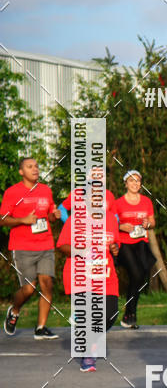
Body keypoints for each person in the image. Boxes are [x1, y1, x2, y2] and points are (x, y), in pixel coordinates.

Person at [1, 157, 59, 339]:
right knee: (29, 289)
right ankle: (15, 310)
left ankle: (40, 328)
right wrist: (22, 220)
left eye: (36, 166)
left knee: (47, 284)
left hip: (45, 244)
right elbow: (3, 219)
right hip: (22, 246)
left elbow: (49, 215)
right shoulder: (13, 192)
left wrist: (54, 216)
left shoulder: (46, 190)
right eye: (29, 166)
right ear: (21, 172)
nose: (35, 169)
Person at [57, 210, 120, 372]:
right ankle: (88, 351)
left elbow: (115, 243)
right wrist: (81, 252)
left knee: (110, 314)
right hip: (79, 276)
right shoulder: (75, 219)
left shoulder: (111, 219)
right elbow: (62, 246)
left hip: (106, 276)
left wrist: (114, 248)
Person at [113, 170, 156, 328]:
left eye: (137, 181)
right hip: (124, 244)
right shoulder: (118, 203)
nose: (135, 183)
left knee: (139, 277)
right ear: (125, 183)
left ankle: (129, 315)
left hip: (141, 243)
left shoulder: (146, 201)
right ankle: (130, 313)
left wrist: (148, 224)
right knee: (136, 274)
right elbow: (111, 223)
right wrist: (121, 226)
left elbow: (152, 221)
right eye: (131, 181)